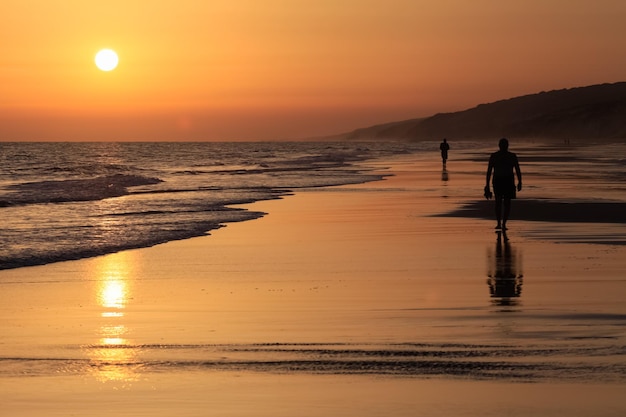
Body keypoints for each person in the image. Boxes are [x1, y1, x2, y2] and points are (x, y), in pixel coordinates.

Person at [485, 138, 522, 230]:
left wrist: (520, 181)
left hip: (504, 180)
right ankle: (501, 223)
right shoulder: (507, 156)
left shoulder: (499, 156)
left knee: (503, 203)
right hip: (502, 180)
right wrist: (487, 185)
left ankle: (502, 223)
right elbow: (489, 171)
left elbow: (517, 170)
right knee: (502, 203)